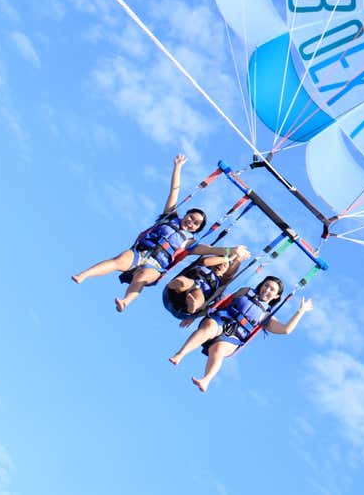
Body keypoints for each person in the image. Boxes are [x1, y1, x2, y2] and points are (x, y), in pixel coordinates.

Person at [72, 154, 230, 312]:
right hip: (141, 252)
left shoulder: (189, 242)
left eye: (196, 223)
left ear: (196, 229)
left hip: (156, 266)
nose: (191, 222)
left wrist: (230, 251)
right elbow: (174, 191)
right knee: (118, 261)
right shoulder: (170, 216)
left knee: (140, 277)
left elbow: (209, 250)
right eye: (191, 217)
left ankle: (125, 301)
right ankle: (83, 275)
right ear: (186, 214)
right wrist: (178, 167)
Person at [168, 276, 313, 392]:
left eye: (272, 289)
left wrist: (301, 311)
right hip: (220, 321)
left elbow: (285, 330)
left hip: (233, 338)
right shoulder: (245, 291)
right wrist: (196, 315)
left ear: (276, 296)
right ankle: (179, 355)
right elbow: (221, 302)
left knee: (218, 350)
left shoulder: (266, 316)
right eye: (266, 285)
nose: (267, 289)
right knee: (209, 328)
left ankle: (206, 380)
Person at [162, 245, 251, 320]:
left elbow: (212, 306)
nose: (220, 265)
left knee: (198, 295)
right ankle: (174, 285)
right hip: (177, 292)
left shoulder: (220, 285)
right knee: (184, 282)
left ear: (225, 272)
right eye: (220, 262)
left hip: (186, 306)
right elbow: (206, 261)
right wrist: (227, 258)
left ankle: (192, 306)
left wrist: (239, 259)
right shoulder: (202, 265)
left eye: (224, 266)